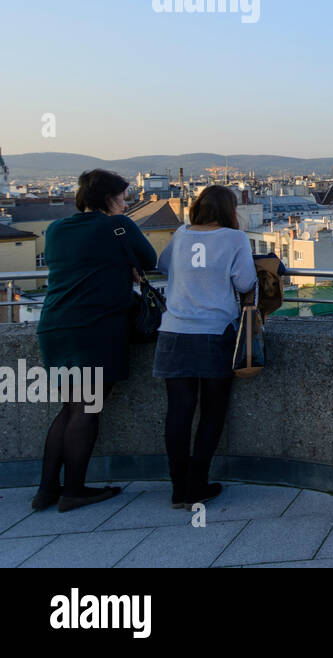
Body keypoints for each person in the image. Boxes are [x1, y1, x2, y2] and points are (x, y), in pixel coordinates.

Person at [35, 169, 157, 512]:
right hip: (96, 326)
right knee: (87, 409)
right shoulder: (119, 226)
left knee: (69, 408)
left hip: (55, 324)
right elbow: (149, 261)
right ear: (108, 198)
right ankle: (73, 491)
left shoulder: (57, 229)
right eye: (122, 196)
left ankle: (46, 490)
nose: (125, 202)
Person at [153, 185, 256, 508]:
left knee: (178, 413)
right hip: (214, 333)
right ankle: (197, 484)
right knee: (212, 412)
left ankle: (178, 488)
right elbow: (246, 283)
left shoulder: (182, 234)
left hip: (173, 332)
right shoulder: (234, 238)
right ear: (230, 210)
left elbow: (163, 266)